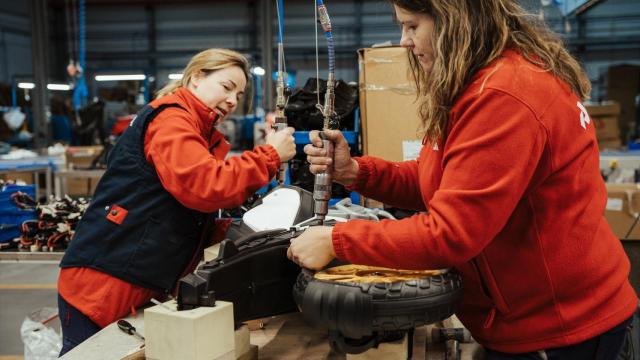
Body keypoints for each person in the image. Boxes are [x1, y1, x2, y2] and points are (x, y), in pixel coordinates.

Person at [287, 1, 639, 358]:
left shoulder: (503, 97)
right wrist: (357, 173)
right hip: (527, 318)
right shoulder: (478, 86)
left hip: (563, 331)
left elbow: (452, 233)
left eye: (412, 26)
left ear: (454, 20)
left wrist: (337, 240)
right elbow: (443, 183)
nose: (404, 41)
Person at [57, 48, 296, 355]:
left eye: (239, 94)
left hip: (134, 283)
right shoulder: (172, 119)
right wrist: (270, 156)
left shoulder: (196, 129)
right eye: (226, 87)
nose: (233, 101)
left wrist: (234, 230)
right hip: (102, 286)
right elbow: (205, 187)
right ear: (196, 78)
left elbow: (178, 206)